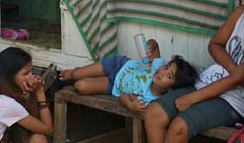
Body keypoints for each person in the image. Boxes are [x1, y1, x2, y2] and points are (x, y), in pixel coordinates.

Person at [123, 5, 244, 143]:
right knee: (153, 112)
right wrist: (233, 69)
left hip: (234, 100)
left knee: (180, 125)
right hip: (206, 82)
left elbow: (238, 81)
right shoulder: (241, 12)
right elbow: (215, 45)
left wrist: (192, 98)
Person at [59, 40, 198, 114]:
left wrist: (130, 105)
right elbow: (154, 44)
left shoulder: (151, 100)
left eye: (169, 75)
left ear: (172, 88)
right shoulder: (157, 66)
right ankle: (71, 72)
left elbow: (124, 96)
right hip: (119, 65)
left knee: (80, 86)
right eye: (167, 67)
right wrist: (148, 48)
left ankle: (76, 75)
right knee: (76, 74)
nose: (162, 72)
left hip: (113, 85)